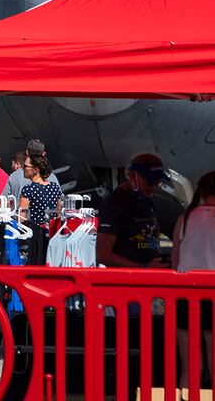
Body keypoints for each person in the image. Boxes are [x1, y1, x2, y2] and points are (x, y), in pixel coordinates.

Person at [172, 171, 215, 388]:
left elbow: (175, 262)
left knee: (189, 370)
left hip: (185, 295)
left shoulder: (184, 219)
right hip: (212, 293)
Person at [96, 153, 170, 268]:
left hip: (149, 276)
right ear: (132, 176)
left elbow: (149, 241)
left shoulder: (147, 200)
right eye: (150, 182)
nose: (153, 188)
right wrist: (142, 267)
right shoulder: (114, 204)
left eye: (158, 182)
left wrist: (162, 258)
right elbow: (103, 254)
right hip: (126, 280)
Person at [19, 153, 63, 226]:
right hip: (53, 230)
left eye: (25, 166)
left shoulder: (29, 189)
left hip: (38, 232)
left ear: (35, 170)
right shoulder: (55, 186)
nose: (23, 168)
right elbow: (60, 212)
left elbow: (21, 217)